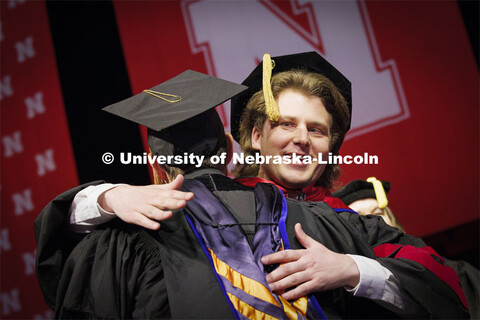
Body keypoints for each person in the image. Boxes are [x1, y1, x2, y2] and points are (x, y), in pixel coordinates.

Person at [35, 54, 469, 318]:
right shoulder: (148, 217)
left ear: (331, 146)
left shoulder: (349, 219)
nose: (302, 138)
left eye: (318, 130)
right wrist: (105, 195)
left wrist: (353, 269)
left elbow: (455, 288)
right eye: (286, 124)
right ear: (249, 139)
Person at [334, 177, 479, 319]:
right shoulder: (351, 297)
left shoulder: (456, 273)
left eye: (378, 213)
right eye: (360, 219)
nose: (373, 223)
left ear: (392, 220)